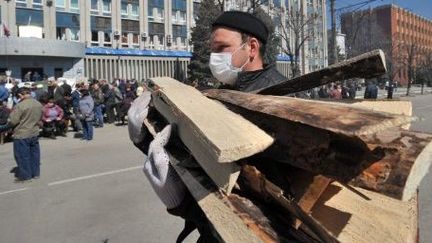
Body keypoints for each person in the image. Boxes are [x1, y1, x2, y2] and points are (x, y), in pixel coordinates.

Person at [128, 11, 286, 242]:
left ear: (251, 48)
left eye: (222, 47)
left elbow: (265, 208)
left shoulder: (280, 101)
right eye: (212, 49)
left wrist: (183, 204)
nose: (214, 57)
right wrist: (145, 138)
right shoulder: (223, 94)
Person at [0, 87, 42, 182]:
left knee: (23, 156)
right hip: (34, 132)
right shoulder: (38, 104)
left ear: (20, 95)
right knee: (34, 155)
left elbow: (13, 121)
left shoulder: (20, 106)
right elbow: (40, 118)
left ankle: (26, 176)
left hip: (22, 134)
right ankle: (35, 174)